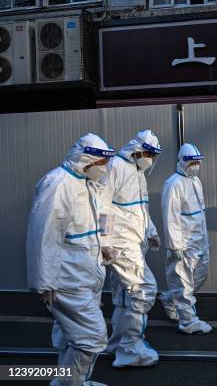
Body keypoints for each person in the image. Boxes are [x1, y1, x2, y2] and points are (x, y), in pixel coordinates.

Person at [27, 133, 115, 386]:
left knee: (73, 336)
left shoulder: (88, 184)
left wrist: (106, 244)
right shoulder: (58, 184)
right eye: (102, 163)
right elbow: (43, 235)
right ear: (86, 160)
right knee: (92, 338)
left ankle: (72, 381)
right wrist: (43, 281)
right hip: (67, 277)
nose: (106, 169)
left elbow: (103, 215)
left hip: (86, 274)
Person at [101, 130, 162, 368]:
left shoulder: (137, 172)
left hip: (134, 241)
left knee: (125, 296)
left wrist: (151, 231)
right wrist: (105, 242)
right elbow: (103, 206)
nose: (151, 159)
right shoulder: (115, 166)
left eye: (154, 155)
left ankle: (117, 343)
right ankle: (130, 348)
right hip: (121, 244)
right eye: (148, 153)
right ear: (136, 149)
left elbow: (140, 208)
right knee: (143, 289)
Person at [158, 143, 212, 334]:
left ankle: (170, 299)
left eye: (197, 162)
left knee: (200, 275)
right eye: (192, 162)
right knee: (183, 283)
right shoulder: (173, 184)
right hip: (183, 243)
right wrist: (175, 245)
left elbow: (199, 214)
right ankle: (188, 321)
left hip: (199, 241)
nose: (196, 165)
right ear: (182, 162)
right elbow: (169, 216)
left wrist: (204, 240)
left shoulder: (196, 181)